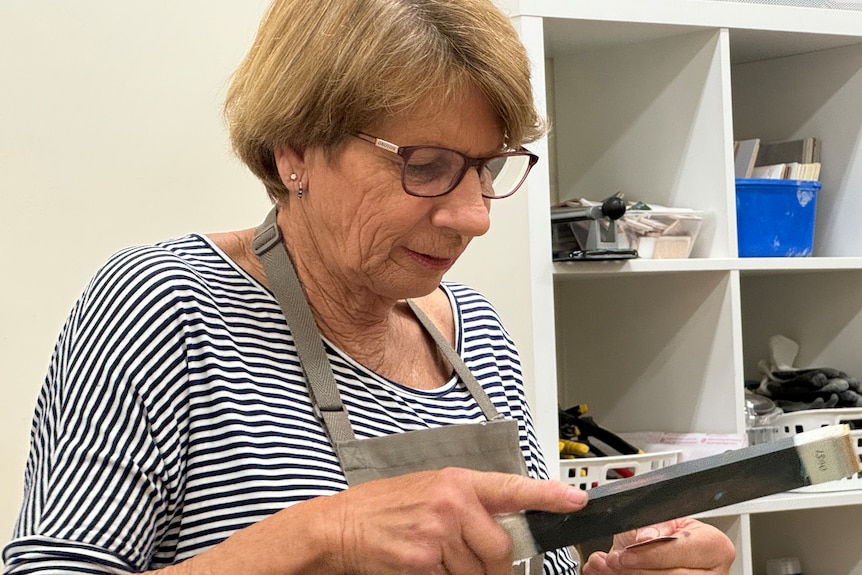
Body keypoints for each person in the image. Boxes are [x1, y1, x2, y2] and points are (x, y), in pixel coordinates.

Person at [2, 0, 736, 574]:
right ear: (294, 148)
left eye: (487, 167)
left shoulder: (472, 333)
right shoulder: (166, 307)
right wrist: (331, 534)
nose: (475, 216)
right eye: (424, 164)